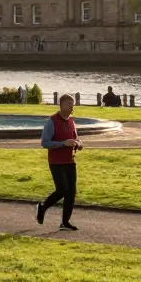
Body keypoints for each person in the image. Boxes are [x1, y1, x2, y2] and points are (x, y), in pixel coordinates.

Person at [36, 93, 82, 231]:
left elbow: (76, 138)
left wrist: (78, 144)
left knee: (71, 192)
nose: (72, 108)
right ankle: (43, 206)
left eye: (73, 105)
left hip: (70, 160)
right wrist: (63, 144)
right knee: (62, 189)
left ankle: (65, 222)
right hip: (56, 162)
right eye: (69, 105)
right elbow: (45, 143)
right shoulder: (52, 121)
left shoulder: (72, 122)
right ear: (61, 105)